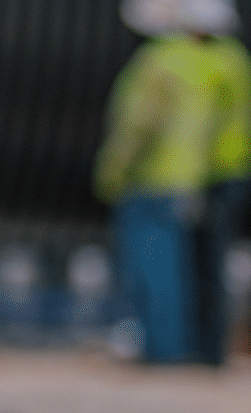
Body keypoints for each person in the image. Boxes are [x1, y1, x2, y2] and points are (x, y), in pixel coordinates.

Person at [95, 0, 227, 363]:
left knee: (149, 271)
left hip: (149, 180)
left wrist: (112, 172)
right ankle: (174, 347)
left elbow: (137, 125)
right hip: (186, 181)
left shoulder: (156, 63)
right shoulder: (201, 64)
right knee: (172, 272)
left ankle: (159, 351)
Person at [189, 0, 251, 366]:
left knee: (209, 262)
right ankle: (211, 348)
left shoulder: (214, 65)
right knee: (214, 260)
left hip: (219, 175)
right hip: (236, 172)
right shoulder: (239, 61)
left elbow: (198, 124)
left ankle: (210, 349)